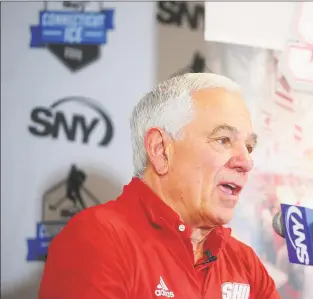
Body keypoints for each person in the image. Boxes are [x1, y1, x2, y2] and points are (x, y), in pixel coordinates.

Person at [38, 73, 281, 299]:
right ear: (161, 150)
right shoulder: (98, 239)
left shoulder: (244, 262)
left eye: (249, 147)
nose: (246, 162)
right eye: (223, 140)